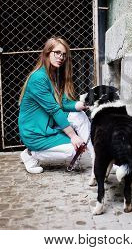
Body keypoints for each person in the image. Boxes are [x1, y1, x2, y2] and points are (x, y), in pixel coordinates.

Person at [17, 36, 94, 174]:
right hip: (35, 133)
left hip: (48, 126)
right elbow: (54, 109)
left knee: (79, 114)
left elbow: (63, 103)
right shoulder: (38, 78)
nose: (61, 57)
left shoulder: (53, 75)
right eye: (57, 53)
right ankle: (30, 154)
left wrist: (83, 104)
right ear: (47, 53)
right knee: (73, 149)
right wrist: (73, 136)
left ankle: (96, 158)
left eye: (64, 54)